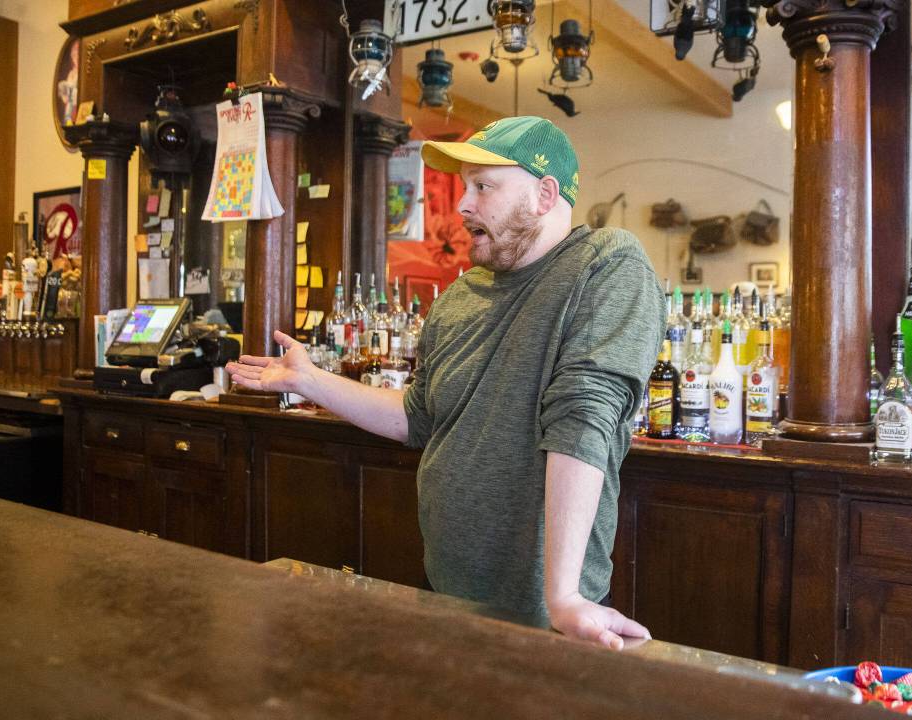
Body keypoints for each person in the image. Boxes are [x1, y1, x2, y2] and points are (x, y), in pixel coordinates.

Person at [227, 117, 665, 650]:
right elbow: (419, 416)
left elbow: (584, 418)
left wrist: (565, 596)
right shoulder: (460, 297)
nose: (462, 204)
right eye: (464, 187)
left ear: (545, 194)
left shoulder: (606, 263)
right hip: (446, 585)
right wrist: (313, 381)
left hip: (545, 608)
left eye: (483, 186)